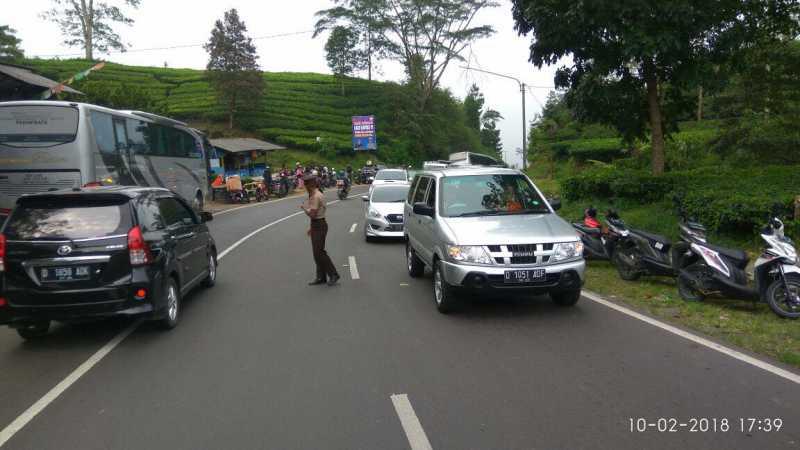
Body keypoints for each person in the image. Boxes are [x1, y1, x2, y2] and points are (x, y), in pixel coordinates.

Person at [301, 175, 340, 286]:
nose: (305, 186)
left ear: (312, 184)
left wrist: (304, 209)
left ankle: (333, 274)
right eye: (305, 183)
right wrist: (311, 227)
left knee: (319, 252)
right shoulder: (314, 194)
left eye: (307, 183)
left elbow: (313, 215)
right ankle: (321, 277)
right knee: (316, 253)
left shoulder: (315, 196)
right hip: (317, 225)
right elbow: (316, 216)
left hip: (319, 225)